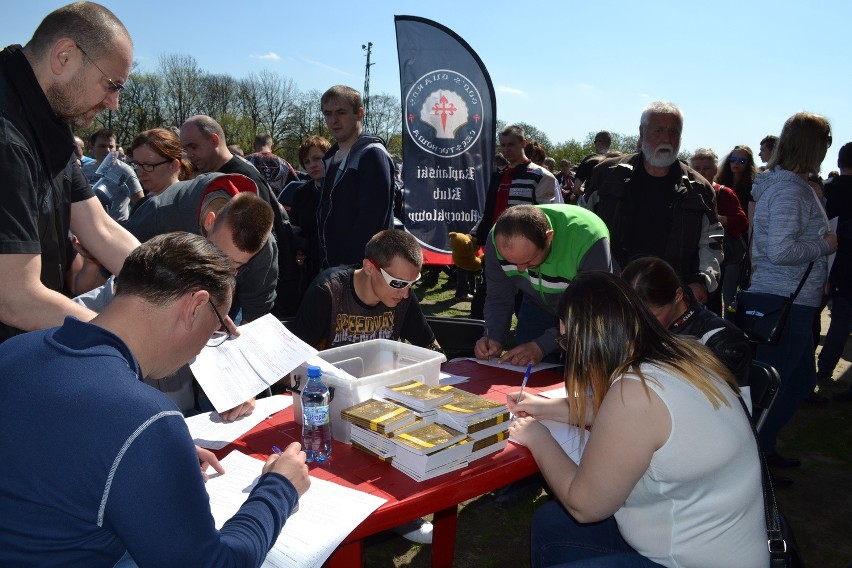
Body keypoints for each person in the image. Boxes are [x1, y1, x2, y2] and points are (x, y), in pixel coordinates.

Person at [0, 232, 310, 566]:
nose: (207, 343)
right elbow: (214, 563)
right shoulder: (142, 417)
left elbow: (50, 445)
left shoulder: (14, 351)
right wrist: (280, 488)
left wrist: (149, 458)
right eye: (217, 326)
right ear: (194, 307)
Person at [509, 272, 767, 567]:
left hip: (687, 560)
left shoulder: (635, 394)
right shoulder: (683, 352)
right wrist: (545, 407)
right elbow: (620, 413)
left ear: (589, 341)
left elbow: (584, 505)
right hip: (719, 540)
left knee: (565, 519)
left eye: (567, 340)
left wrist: (536, 436)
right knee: (552, 521)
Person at [0, 2, 141, 343]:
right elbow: (15, 297)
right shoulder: (7, 136)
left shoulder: (48, 120)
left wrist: (179, 286)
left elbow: (100, 227)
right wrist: (129, 338)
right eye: (112, 84)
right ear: (64, 56)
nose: (114, 103)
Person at [749, 111, 836, 471]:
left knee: (795, 382)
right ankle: (754, 457)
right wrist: (827, 244)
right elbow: (781, 250)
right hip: (785, 301)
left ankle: (762, 449)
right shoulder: (789, 189)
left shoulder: (788, 185)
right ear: (815, 146)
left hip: (785, 299)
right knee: (776, 387)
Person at [585, 101, 723, 305]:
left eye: (674, 131)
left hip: (671, 299)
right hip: (612, 292)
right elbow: (584, 228)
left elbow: (712, 240)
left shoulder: (699, 188)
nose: (666, 139)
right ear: (642, 132)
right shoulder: (606, 175)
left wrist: (702, 282)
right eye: (658, 130)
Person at [181, 114, 301, 317]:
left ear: (214, 140)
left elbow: (259, 242)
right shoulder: (220, 173)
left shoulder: (242, 179)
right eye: (186, 148)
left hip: (247, 292)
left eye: (193, 146)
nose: (189, 154)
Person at [124, 173, 278, 324]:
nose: (223, 269)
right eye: (220, 256)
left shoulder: (263, 247)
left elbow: (256, 309)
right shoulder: (162, 213)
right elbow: (113, 262)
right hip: (152, 295)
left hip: (223, 307)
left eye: (238, 265)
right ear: (210, 221)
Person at [474, 204, 611, 365]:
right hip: (536, 304)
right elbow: (498, 297)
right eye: (511, 262)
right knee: (526, 367)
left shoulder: (588, 239)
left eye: (528, 261)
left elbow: (593, 311)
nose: (520, 269)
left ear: (549, 238)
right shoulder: (497, 239)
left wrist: (543, 345)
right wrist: (493, 336)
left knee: (581, 370)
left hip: (585, 313)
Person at [292, 229, 439, 351]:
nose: (406, 293)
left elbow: (430, 346)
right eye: (397, 282)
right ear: (369, 267)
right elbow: (295, 362)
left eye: (412, 283)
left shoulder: (402, 294)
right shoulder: (328, 291)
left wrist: (437, 355)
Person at [621, 256, 751, 386]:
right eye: (631, 316)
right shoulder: (626, 327)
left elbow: (725, 403)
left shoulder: (720, 339)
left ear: (678, 296)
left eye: (653, 317)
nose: (640, 324)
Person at [316, 85, 395, 269]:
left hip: (359, 269)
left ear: (359, 113)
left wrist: (349, 267)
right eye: (327, 114)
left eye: (341, 112)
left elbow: (371, 220)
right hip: (333, 266)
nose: (333, 120)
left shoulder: (372, 155)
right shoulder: (331, 157)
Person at [690, 148, 749, 314]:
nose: (701, 172)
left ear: (715, 170)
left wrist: (720, 219)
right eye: (697, 168)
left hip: (721, 258)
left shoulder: (724, 193)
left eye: (706, 168)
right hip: (692, 256)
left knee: (717, 299)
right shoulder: (684, 191)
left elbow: (742, 221)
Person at [819, 142, 852, 398]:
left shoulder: (824, 190)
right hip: (847, 266)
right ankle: (826, 368)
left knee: (810, 319)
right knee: (842, 320)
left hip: (821, 259)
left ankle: (819, 368)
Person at [128, 127, 194, 197]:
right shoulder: (145, 203)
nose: (140, 172)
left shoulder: (188, 202)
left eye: (148, 165)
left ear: (174, 165)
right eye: (137, 164)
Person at [246, 132, 299, 198]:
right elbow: (297, 187)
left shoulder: (245, 161)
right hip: (277, 206)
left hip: (251, 205)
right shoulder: (284, 164)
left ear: (254, 146)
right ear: (272, 146)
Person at [572, 130, 611, 198]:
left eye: (595, 142)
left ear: (599, 142)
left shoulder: (590, 160)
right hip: (613, 205)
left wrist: (587, 192)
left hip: (593, 205)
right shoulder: (620, 159)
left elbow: (576, 189)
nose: (595, 144)